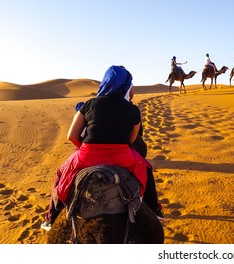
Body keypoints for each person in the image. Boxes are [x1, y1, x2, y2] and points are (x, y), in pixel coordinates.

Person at [41, 65, 163, 230]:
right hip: (122, 155)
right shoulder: (133, 110)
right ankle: (156, 210)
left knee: (63, 173)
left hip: (88, 154)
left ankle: (50, 217)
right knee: (146, 169)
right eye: (131, 85)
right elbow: (131, 140)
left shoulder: (90, 104)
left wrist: (84, 149)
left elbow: (71, 136)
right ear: (125, 87)